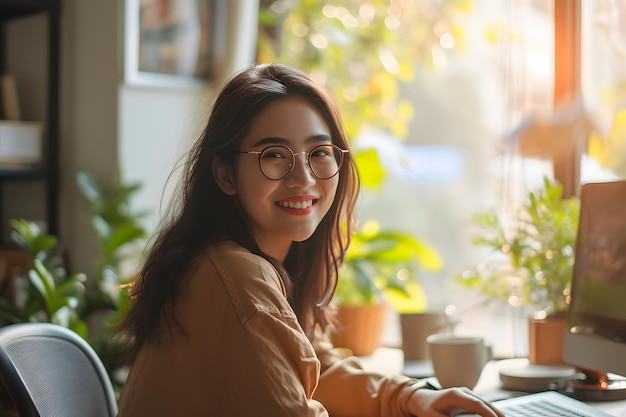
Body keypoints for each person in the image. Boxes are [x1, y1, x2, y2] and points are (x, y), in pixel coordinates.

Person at [115, 63, 503, 417]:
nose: (303, 177)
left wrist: (412, 397)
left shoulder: (246, 262)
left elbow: (318, 367)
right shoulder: (235, 275)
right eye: (274, 155)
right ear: (226, 175)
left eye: (319, 152)